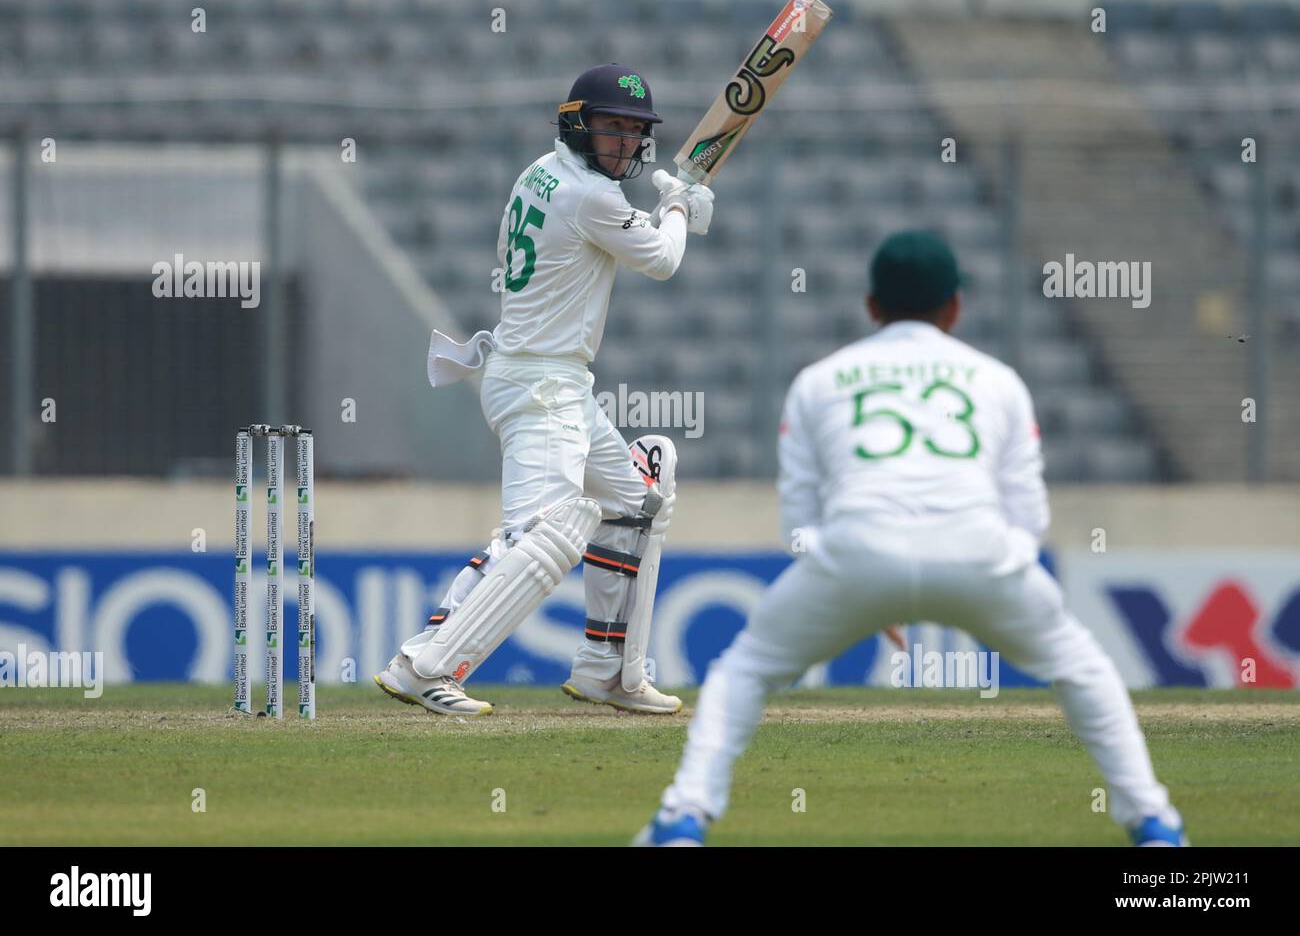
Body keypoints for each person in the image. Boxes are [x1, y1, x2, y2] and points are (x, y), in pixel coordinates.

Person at [637, 230, 1187, 846]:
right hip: (981, 552)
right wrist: (998, 577)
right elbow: (1028, 516)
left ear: (872, 306)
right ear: (955, 306)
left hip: (855, 554)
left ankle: (684, 820)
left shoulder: (820, 380)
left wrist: (862, 588)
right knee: (1083, 668)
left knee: (742, 672)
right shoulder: (998, 379)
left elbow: (800, 524)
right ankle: (1155, 824)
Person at [373, 63, 715, 716]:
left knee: (637, 501)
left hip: (552, 381)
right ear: (577, 125)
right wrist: (677, 206)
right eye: (611, 128)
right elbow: (665, 260)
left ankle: (608, 671)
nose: (623, 143)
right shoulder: (592, 197)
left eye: (634, 132)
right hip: (540, 387)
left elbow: (615, 228)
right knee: (546, 534)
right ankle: (423, 666)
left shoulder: (546, 171)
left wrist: (668, 208)